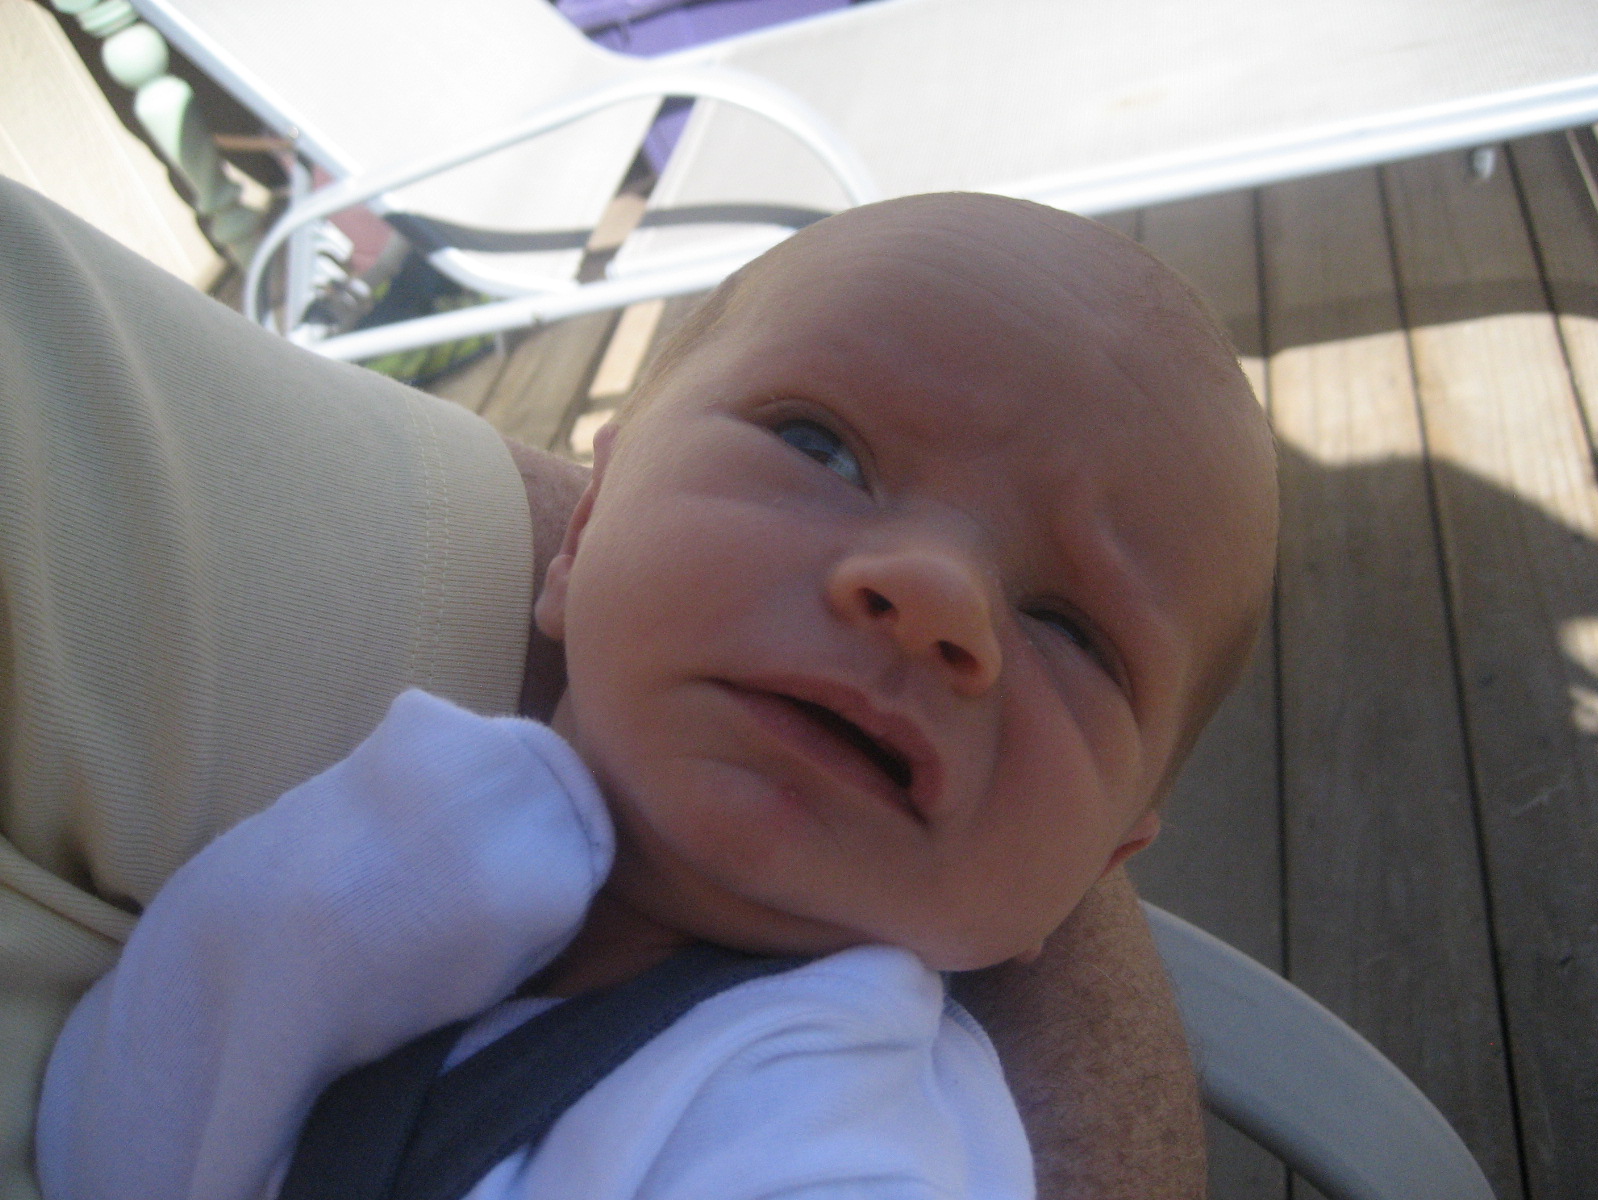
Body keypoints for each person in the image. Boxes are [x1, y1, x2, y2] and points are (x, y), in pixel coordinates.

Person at [0, 177, 1233, 1200]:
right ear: (579, 537)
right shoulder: (396, 848)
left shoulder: (842, 1136)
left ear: (1096, 868)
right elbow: (106, 1141)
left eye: (1070, 627)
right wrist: (366, 886)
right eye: (820, 447)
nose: (934, 596)